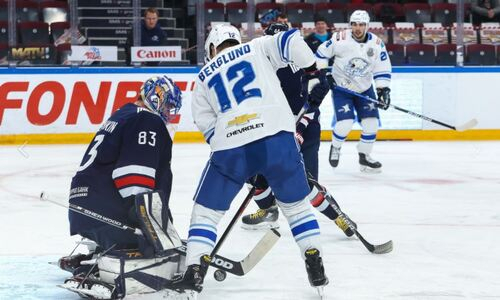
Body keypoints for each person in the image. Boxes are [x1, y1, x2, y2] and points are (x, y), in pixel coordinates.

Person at [174, 24, 330, 295]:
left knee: (207, 214)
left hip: (231, 147)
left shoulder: (203, 75)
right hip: (278, 140)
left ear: (212, 47)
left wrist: (240, 160)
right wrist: (313, 69)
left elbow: (207, 125)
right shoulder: (258, 46)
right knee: (297, 209)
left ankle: (195, 270)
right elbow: (292, 40)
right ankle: (312, 255)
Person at [59, 76, 185, 299]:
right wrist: (154, 228)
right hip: (107, 211)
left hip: (84, 208)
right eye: (167, 104)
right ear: (156, 96)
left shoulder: (123, 115)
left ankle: (101, 254)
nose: (169, 111)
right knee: (163, 251)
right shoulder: (147, 120)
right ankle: (101, 267)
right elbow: (134, 179)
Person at [240, 23, 357, 238]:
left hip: (306, 129)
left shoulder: (304, 66)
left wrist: (300, 129)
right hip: (279, 131)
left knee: (305, 182)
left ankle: (339, 216)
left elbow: (312, 105)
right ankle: (268, 210)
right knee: (252, 171)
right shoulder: (261, 69)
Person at [315, 10, 392, 173]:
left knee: (371, 124)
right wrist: (323, 73)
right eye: (355, 24)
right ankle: (335, 147)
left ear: (367, 25)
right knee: (345, 123)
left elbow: (382, 67)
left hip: (365, 89)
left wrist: (383, 89)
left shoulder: (377, 44)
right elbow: (321, 54)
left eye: (362, 24)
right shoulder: (340, 38)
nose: (358, 28)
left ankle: (364, 156)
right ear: (350, 25)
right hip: (342, 88)